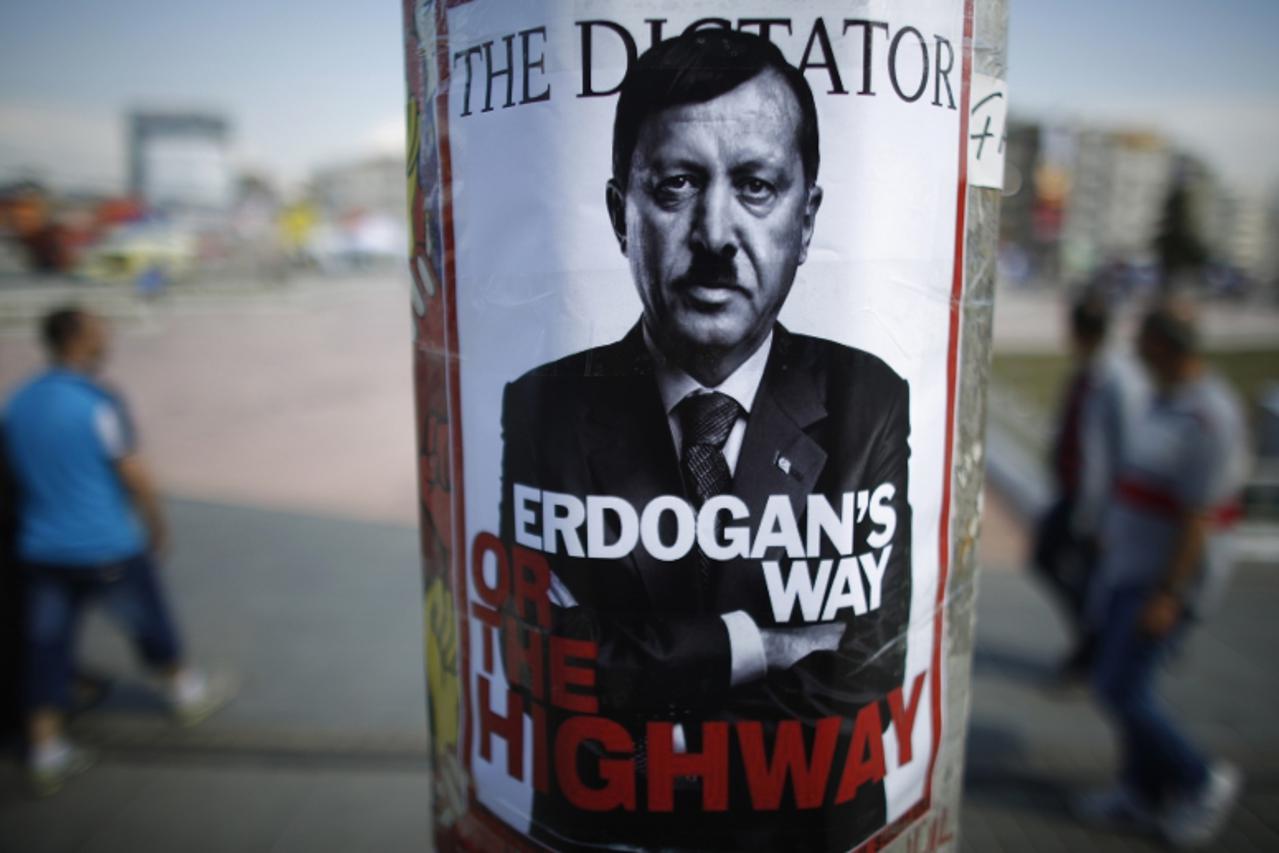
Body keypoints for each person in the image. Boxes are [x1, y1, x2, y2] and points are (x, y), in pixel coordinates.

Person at [500, 30, 911, 851]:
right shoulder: (546, 405)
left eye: (755, 186)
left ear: (805, 219)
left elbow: (864, 670)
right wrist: (766, 644)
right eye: (676, 184)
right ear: (621, 215)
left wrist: (642, 708)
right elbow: (539, 663)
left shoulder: (865, 396)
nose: (715, 233)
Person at [2, 307, 226, 796]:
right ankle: (185, 691)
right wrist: (157, 526)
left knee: (45, 648)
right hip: (104, 545)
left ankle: (45, 749)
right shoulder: (97, 402)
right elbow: (133, 471)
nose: (108, 338)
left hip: (41, 549)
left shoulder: (19, 403)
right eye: (99, 331)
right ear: (77, 340)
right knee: (149, 622)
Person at [1078, 299, 1248, 847]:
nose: (1135, 349)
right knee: (1126, 682)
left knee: (1119, 687)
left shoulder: (1210, 416)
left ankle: (1200, 779)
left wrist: (1169, 593)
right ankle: (1141, 791)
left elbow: (1198, 519)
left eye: (1144, 340)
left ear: (1164, 345)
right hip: (1127, 567)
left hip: (1158, 583)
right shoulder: (1162, 399)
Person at [1032, 292, 1146, 680]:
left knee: (1088, 577)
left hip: (1098, 503)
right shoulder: (1089, 371)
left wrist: (1111, 516)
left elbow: (1127, 451)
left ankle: (1097, 648)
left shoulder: (1118, 379)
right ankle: (1094, 642)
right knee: (1049, 559)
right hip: (1074, 493)